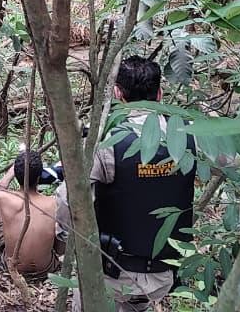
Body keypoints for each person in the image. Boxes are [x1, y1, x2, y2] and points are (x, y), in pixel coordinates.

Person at [75, 54, 195, 312]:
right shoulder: (190, 134)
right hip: (164, 274)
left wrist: (68, 242)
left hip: (113, 273)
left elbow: (69, 199)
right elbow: (230, 161)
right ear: (160, 94)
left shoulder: (108, 142)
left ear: (118, 93)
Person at [0, 148, 61, 276]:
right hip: (46, 268)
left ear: (16, 175)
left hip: (11, 266)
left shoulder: (6, 199)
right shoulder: (53, 203)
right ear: (39, 177)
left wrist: (10, 173)